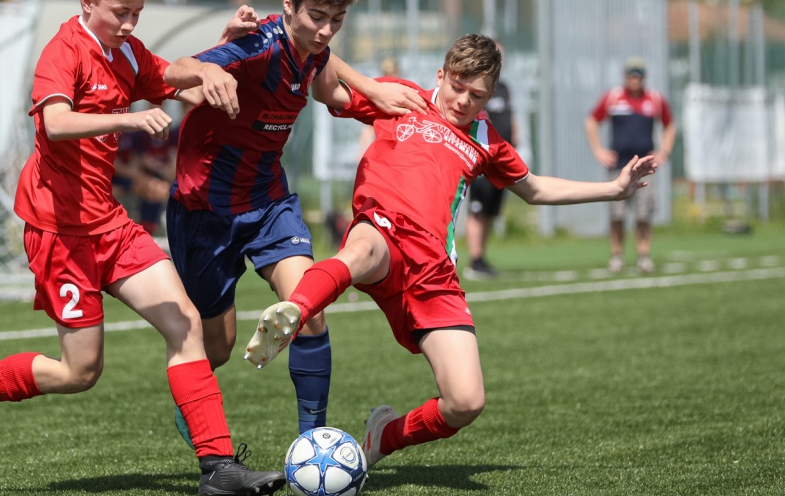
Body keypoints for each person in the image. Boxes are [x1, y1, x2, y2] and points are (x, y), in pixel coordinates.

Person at [0, 0, 286, 496]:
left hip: (108, 225)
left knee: (185, 322)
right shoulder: (62, 51)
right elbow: (57, 125)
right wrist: (130, 118)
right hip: (58, 232)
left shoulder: (127, 50)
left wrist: (218, 56)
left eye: (137, 12)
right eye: (122, 12)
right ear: (88, 1)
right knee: (79, 372)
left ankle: (218, 466)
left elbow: (173, 72)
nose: (130, 22)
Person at [243, 34, 656, 469]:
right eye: (456, 86)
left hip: (433, 270)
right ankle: (295, 311)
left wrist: (613, 189)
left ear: (490, 96)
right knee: (361, 249)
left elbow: (533, 189)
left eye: (476, 95)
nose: (462, 100)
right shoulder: (400, 97)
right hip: (384, 230)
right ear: (440, 75)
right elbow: (325, 89)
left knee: (466, 401)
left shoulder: (485, 138)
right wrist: (346, 67)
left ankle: (385, 436)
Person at [163, 0, 427, 440]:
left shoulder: (313, 48)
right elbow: (174, 71)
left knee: (308, 308)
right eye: (317, 16)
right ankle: (194, 393)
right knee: (217, 346)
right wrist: (208, 69)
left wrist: (380, 96)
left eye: (337, 18)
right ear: (289, 4)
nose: (326, 29)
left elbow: (329, 86)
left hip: (268, 201)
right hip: (206, 209)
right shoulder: (254, 46)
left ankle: (314, 441)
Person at [585, 56, 675, 274]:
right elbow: (591, 121)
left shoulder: (654, 99)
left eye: (639, 74)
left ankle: (644, 256)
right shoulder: (614, 98)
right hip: (618, 167)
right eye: (632, 74)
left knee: (644, 213)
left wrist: (663, 151)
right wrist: (598, 150)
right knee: (617, 214)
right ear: (625, 76)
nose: (636, 78)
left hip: (644, 168)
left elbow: (669, 125)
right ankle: (617, 256)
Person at [464, 42, 518, 279]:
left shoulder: (503, 88)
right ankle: (474, 259)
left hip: (500, 160)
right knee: (477, 210)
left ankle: (481, 258)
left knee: (489, 212)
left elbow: (509, 116)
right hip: (480, 160)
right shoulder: (474, 86)